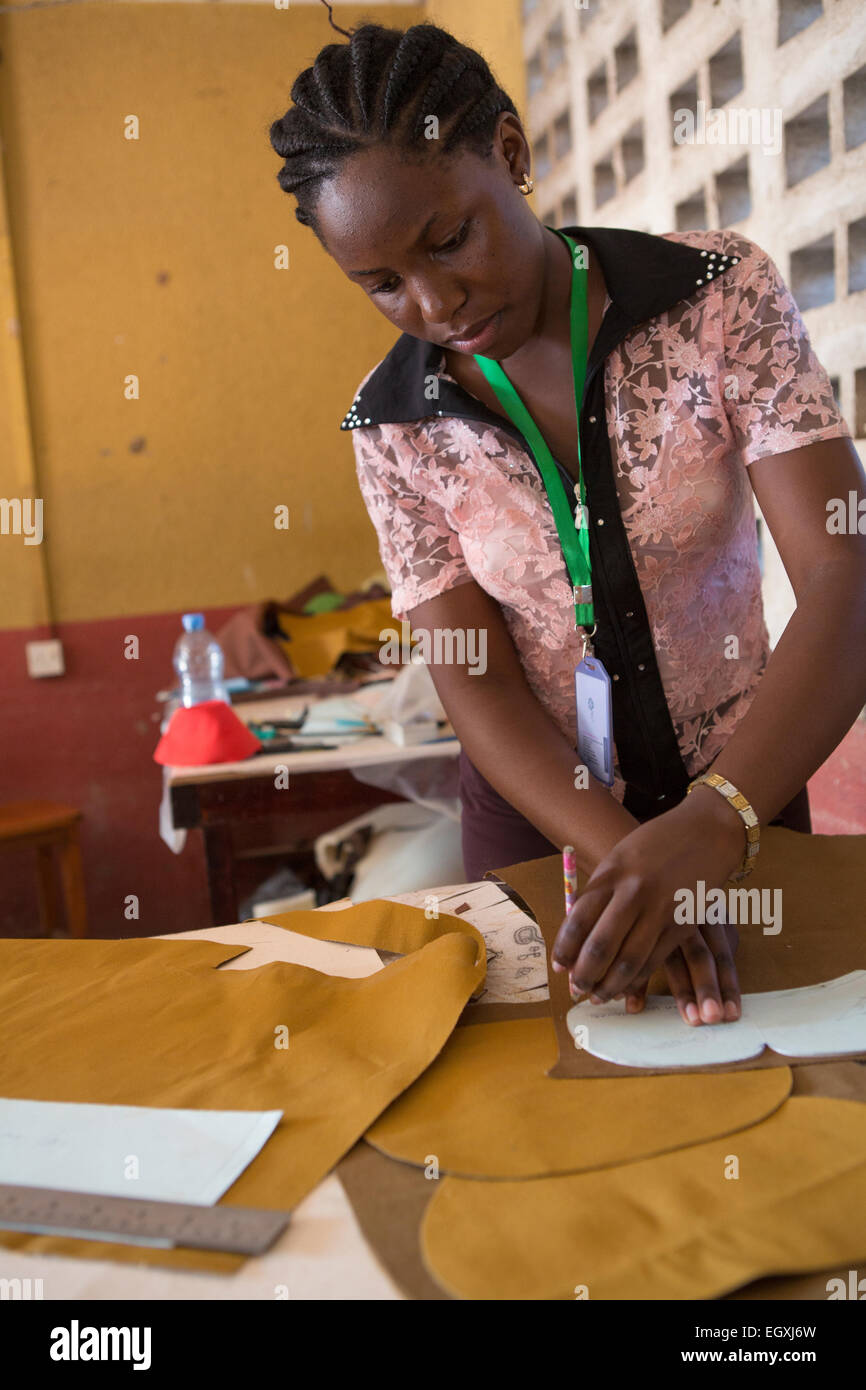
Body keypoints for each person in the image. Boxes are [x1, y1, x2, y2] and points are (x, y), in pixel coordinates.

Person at [269, 14, 866, 1027]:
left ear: (509, 152)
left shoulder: (714, 301)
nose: (434, 300)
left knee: (782, 1084)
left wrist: (714, 823)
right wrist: (624, 858)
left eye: (447, 238)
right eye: (380, 285)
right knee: (559, 1103)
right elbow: (473, 673)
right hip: (537, 820)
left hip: (747, 789)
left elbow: (845, 579)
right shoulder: (394, 427)